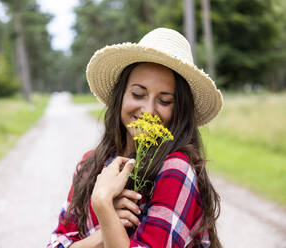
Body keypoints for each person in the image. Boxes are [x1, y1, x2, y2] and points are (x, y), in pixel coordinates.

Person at [46, 28, 223, 248]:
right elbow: (56, 242)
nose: (148, 111)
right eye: (138, 94)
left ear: (179, 111)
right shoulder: (90, 165)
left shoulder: (176, 168)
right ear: (121, 95)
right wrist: (106, 225)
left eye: (165, 101)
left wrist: (102, 205)